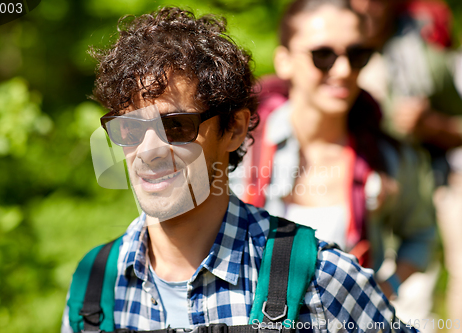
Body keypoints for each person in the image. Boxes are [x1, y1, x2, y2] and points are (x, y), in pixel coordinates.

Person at [61, 7, 418, 333]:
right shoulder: (92, 285)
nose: (149, 151)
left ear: (233, 129)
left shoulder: (322, 278)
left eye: (176, 127)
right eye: (130, 130)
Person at [230, 0, 436, 303]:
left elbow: (421, 236)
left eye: (357, 55)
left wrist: (383, 291)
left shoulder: (387, 158)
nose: (343, 70)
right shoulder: (240, 147)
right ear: (284, 61)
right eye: (323, 55)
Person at [351, 0, 462, 323]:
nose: (366, 6)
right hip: (360, 191)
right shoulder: (327, 50)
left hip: (432, 182)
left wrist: (429, 125)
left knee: (422, 297)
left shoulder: (425, 53)